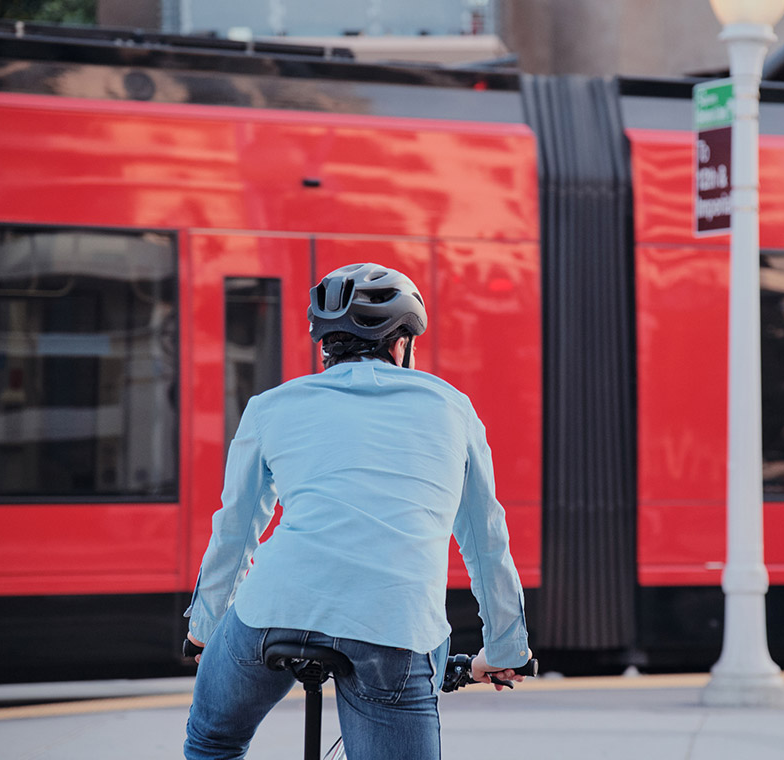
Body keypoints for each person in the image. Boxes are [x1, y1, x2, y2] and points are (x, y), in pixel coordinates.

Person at [182, 263, 531, 760]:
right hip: (395, 626)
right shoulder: (453, 408)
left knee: (211, 743)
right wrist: (505, 651)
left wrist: (203, 629)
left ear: (325, 344)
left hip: (269, 615)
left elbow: (236, 532)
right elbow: (486, 540)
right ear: (401, 343)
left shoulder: (270, 406)